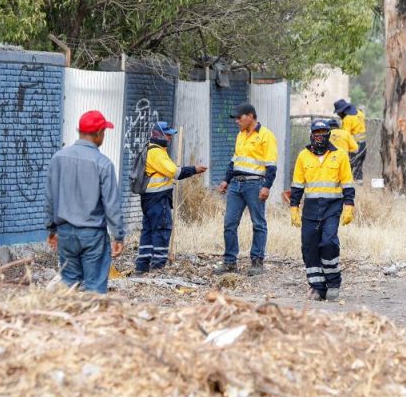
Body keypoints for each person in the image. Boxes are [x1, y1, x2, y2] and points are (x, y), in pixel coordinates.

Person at [45, 110, 124, 293]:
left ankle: (68, 319)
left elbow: (50, 197)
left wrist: (51, 229)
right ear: (98, 134)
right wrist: (118, 235)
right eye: (103, 132)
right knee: (94, 287)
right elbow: (112, 204)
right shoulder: (103, 164)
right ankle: (91, 320)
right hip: (93, 235)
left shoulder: (58, 158)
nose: (103, 136)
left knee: (69, 284)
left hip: (65, 233)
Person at [290, 119, 355, 301]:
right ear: (311, 135)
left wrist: (349, 205)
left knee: (328, 243)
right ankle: (317, 288)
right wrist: (294, 207)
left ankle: (333, 283)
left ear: (328, 134)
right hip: (310, 210)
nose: (320, 136)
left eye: (323, 133)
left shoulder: (340, 155)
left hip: (332, 208)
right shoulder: (303, 156)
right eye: (316, 133)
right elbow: (297, 185)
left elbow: (347, 183)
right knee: (309, 248)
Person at [135, 122, 208, 274]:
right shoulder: (156, 153)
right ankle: (158, 267)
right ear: (158, 135)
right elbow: (174, 172)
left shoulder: (152, 149)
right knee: (162, 230)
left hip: (149, 199)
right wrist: (194, 169)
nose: (169, 138)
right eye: (167, 134)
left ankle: (142, 267)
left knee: (148, 232)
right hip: (158, 198)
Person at [215, 103, 278, 276]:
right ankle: (229, 262)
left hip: (255, 184)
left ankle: (257, 261)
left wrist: (266, 186)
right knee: (229, 224)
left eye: (239, 117)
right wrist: (226, 180)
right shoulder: (240, 135)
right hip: (236, 184)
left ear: (250, 116)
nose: (236, 121)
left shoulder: (266, 136)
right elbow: (234, 160)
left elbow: (271, 165)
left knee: (258, 223)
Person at [333, 99, 366, 180]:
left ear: (342, 111)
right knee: (358, 168)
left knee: (349, 167)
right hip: (363, 145)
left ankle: (351, 187)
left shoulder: (347, 119)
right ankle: (360, 187)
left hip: (354, 147)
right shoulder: (360, 113)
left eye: (338, 112)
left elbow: (344, 136)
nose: (338, 114)